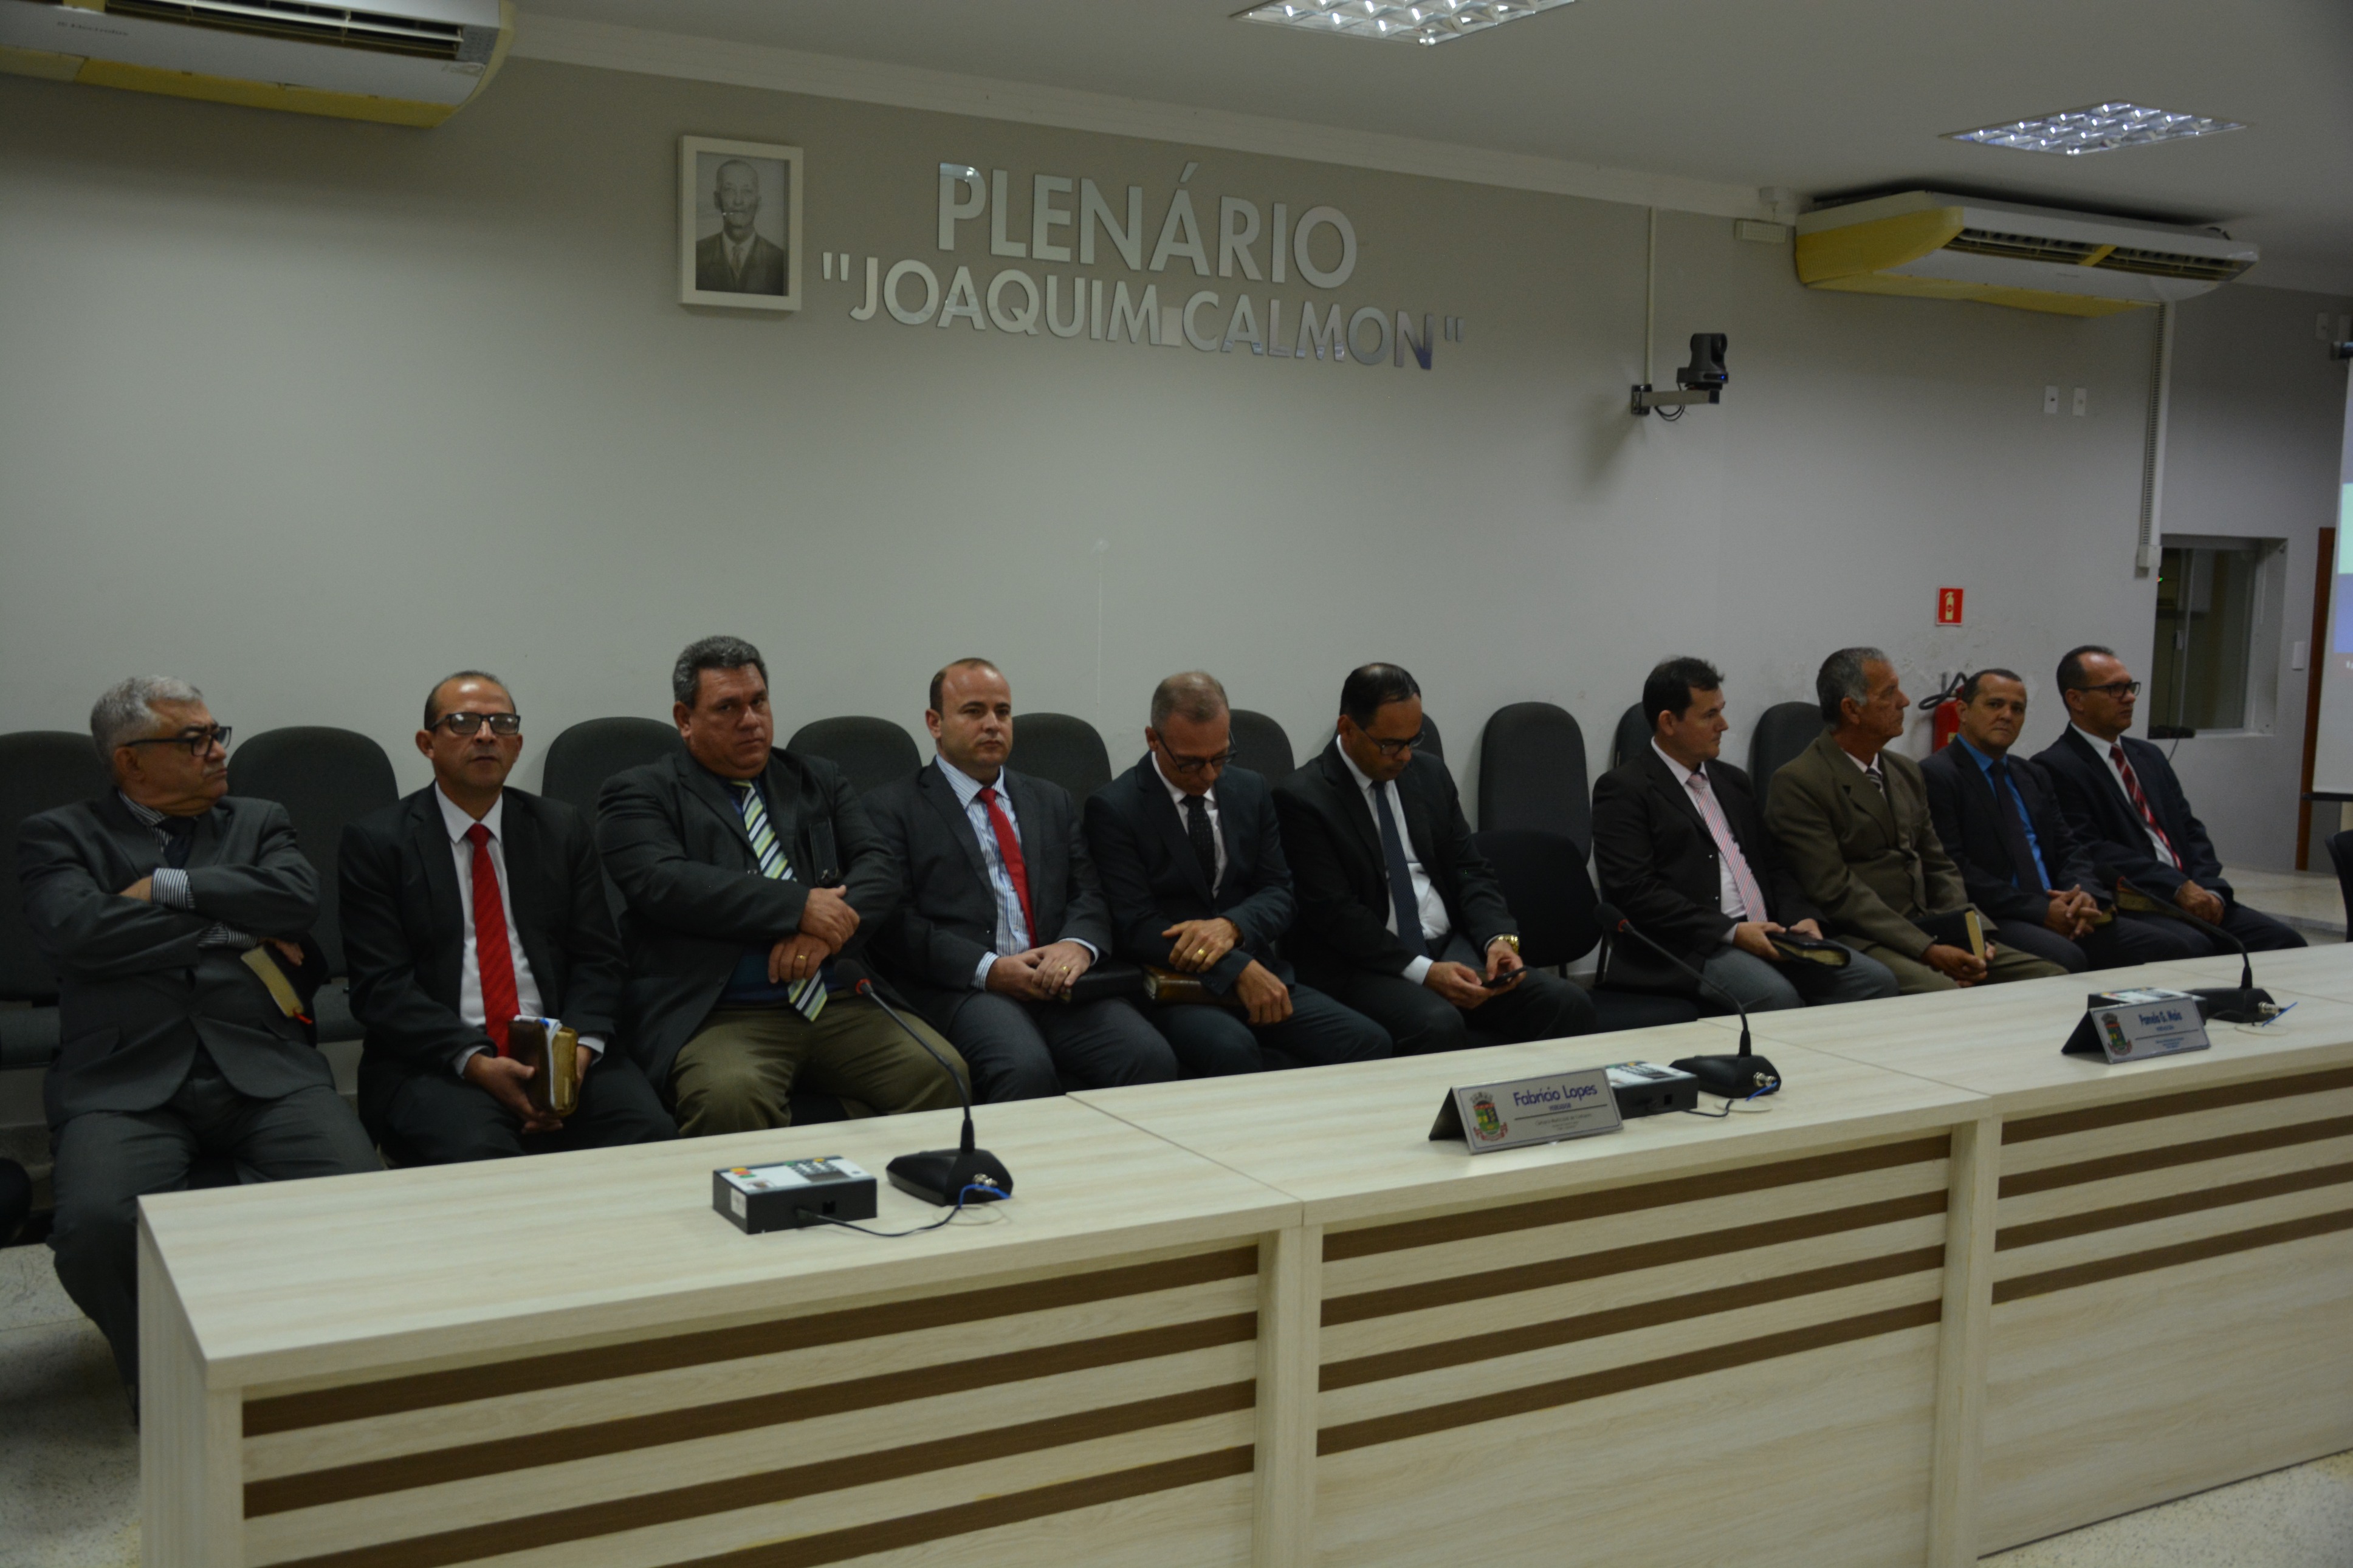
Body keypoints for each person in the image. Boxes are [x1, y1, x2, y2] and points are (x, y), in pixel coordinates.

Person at [19, 677, 377, 1399]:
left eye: (217, 734)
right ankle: (167, 1385)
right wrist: (231, 927)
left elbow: (296, 901)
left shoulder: (260, 818)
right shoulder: (59, 834)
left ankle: (302, 1366)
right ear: (130, 761)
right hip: (124, 1077)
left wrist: (163, 888)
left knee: (360, 1197)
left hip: (263, 1063)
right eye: (194, 740)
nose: (217, 752)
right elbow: (77, 934)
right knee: (95, 1227)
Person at [596, 637, 966, 1135]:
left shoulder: (817, 778)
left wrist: (823, 933)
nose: (750, 720)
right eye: (727, 707)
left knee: (942, 1073)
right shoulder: (640, 792)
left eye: (759, 702)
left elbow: (880, 867)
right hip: (720, 1012)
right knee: (730, 1098)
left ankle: (881, 1172)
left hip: (837, 999)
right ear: (685, 718)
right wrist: (799, 906)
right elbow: (664, 882)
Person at [339, 671, 676, 1163]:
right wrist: (476, 1062)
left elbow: (599, 959)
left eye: (502, 723)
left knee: (651, 1135)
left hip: (562, 1049)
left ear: (517, 745)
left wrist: (576, 1055)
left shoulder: (560, 828)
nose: (485, 735)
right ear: (427, 743)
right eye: (463, 722)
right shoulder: (378, 842)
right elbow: (382, 987)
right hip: (438, 1060)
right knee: (484, 1158)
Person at [866, 660, 1178, 1100]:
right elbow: (895, 923)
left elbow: (1089, 891)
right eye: (974, 712)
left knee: (1149, 1056)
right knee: (1024, 1069)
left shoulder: (1050, 800)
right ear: (935, 723)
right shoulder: (892, 808)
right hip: (965, 988)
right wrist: (989, 970)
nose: (992, 725)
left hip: (1058, 983)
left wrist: (1077, 946)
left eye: (1003, 712)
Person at [1275, 663, 1599, 1053]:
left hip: (1451, 949)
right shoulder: (1303, 798)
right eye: (1390, 744)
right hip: (1365, 965)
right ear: (1347, 728)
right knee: (1437, 1023)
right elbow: (1336, 914)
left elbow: (1468, 869)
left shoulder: (1428, 775)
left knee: (1566, 1002)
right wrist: (1426, 973)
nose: (1405, 756)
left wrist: (1502, 940)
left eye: (1413, 740)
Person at [1084, 671, 1392, 1075]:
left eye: (1220, 757)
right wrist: (1235, 967)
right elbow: (1135, 925)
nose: (1209, 775)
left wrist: (1233, 927)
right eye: (1190, 762)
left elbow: (1279, 891)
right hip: (1176, 986)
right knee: (1232, 1049)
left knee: (1368, 1042)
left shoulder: (1250, 790)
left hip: (1257, 966)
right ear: (1153, 739)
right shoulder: (1115, 808)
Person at [1592, 657, 1899, 1011]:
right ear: (1669, 722)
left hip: (1768, 931)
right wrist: (1732, 932)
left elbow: (1773, 864)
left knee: (1875, 982)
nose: (1723, 724)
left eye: (1721, 711)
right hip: (1691, 945)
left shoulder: (1731, 781)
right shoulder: (1624, 789)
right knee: (1776, 996)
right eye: (1710, 715)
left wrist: (1800, 916)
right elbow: (1636, 891)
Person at [1765, 648, 2067, 993]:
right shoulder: (1800, 781)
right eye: (1889, 693)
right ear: (1852, 710)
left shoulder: (1905, 771)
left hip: (1931, 925)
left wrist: (1970, 934)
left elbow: (1939, 864)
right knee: (1944, 992)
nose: (1905, 701)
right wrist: (1928, 950)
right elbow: (1836, 892)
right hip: (1865, 935)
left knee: (2050, 977)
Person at [1920, 668, 2208, 974]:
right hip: (1999, 913)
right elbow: (1955, 868)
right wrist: (2042, 910)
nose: (2007, 716)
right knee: (2067, 958)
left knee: (2176, 946)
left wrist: (2083, 893)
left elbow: (2069, 848)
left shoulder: (2032, 775)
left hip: (2064, 907)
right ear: (1963, 711)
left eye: (2018, 709)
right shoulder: (1938, 775)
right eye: (1994, 705)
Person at [2033, 645, 2306, 954]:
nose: (2130, 698)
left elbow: (2190, 830)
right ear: (2076, 699)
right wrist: (2176, 887)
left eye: (2130, 687)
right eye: (2114, 689)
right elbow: (2092, 850)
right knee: (2194, 948)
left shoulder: (2148, 756)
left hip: (2193, 891)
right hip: (2139, 899)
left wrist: (2211, 889)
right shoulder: (2055, 766)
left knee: (2286, 942)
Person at [693, 158, 788, 295]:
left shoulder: (780, 261)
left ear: (759, 202)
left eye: (747, 191)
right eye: (730, 190)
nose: (738, 201)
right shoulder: (696, 255)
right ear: (717, 200)